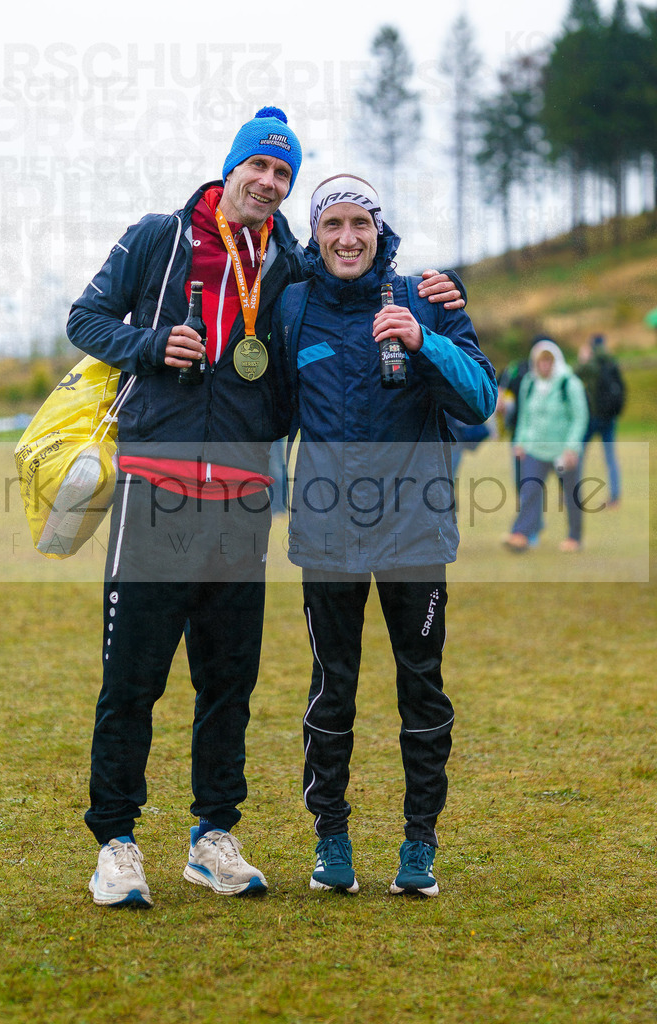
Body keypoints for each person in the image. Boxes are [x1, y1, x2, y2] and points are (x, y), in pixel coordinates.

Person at [66, 112, 465, 909]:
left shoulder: (286, 260)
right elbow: (84, 320)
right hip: (156, 488)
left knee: (229, 684)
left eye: (283, 175)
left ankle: (212, 836)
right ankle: (116, 843)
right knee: (132, 679)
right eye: (261, 168)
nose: (269, 183)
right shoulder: (159, 238)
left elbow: (353, 292)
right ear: (234, 166)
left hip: (244, 498)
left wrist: (439, 291)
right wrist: (149, 345)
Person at [275, 174, 497, 897]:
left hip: (416, 535)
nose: (347, 237)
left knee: (421, 690)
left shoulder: (426, 297)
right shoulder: (294, 307)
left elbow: (481, 400)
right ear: (316, 233)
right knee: (331, 691)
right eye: (332, 223)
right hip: (327, 537)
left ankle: (418, 847)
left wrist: (423, 339)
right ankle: (331, 841)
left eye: (360, 223)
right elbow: (268, 403)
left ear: (379, 230)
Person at [503, 338, 589, 553]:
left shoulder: (568, 383)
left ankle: (574, 537)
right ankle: (520, 534)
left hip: (562, 450)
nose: (544, 366)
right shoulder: (529, 383)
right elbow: (525, 416)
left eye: (548, 362)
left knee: (570, 494)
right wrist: (520, 442)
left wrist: (572, 448)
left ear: (555, 361)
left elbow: (580, 417)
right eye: (540, 362)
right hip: (535, 448)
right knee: (530, 490)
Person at [575, 333, 626, 508]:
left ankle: (576, 495)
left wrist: (583, 359)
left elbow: (574, 375)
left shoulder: (591, 364)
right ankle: (615, 496)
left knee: (579, 456)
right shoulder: (611, 362)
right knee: (611, 458)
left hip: (592, 418)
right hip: (610, 418)